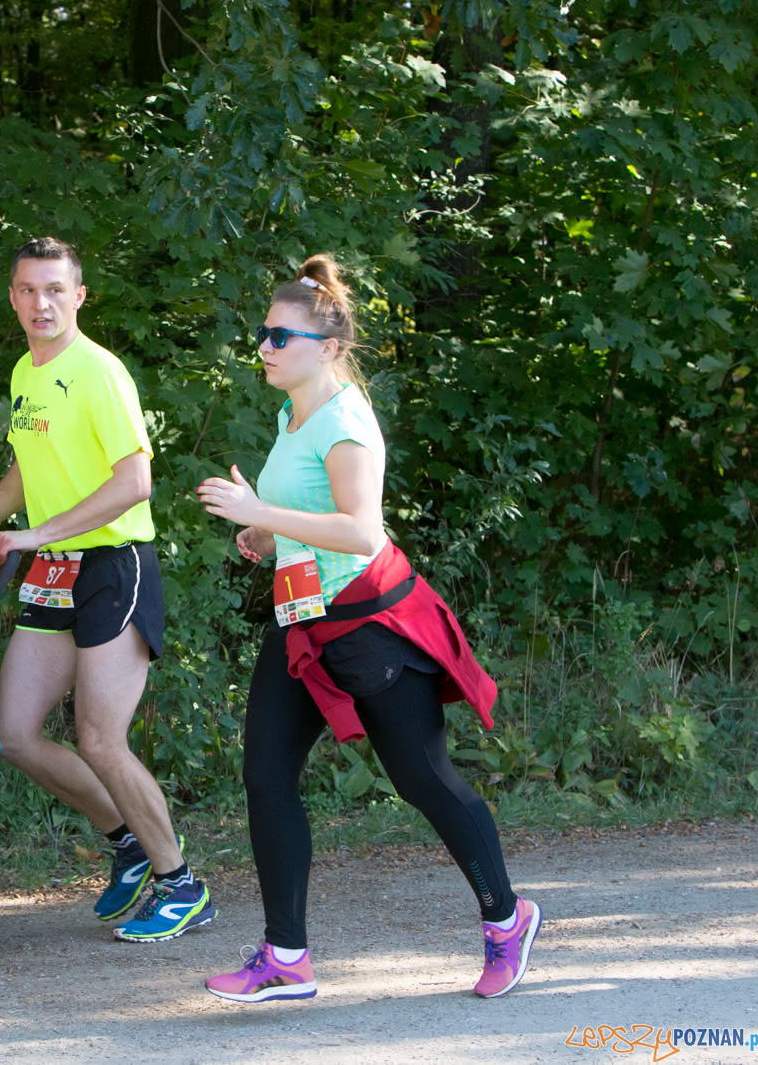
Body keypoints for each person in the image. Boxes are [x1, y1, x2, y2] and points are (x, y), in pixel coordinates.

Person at [195, 254, 540, 1001]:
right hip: (302, 623)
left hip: (371, 628)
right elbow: (311, 515)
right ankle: (287, 958)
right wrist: (267, 535)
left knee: (423, 780)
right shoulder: (292, 415)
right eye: (262, 333)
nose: (264, 346)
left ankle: (507, 920)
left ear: (326, 347)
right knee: (266, 778)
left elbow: (360, 531)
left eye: (279, 336)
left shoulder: (346, 422)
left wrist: (260, 511)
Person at [0, 236, 214, 942]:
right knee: (15, 734)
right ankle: (128, 840)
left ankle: (182, 885)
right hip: (54, 569)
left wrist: (36, 533)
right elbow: (27, 469)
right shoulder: (25, 372)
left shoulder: (99, 372)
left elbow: (135, 482)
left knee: (102, 739)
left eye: (55, 289)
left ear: (79, 296)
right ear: (12, 297)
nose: (41, 303)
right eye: (27, 289)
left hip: (114, 565)